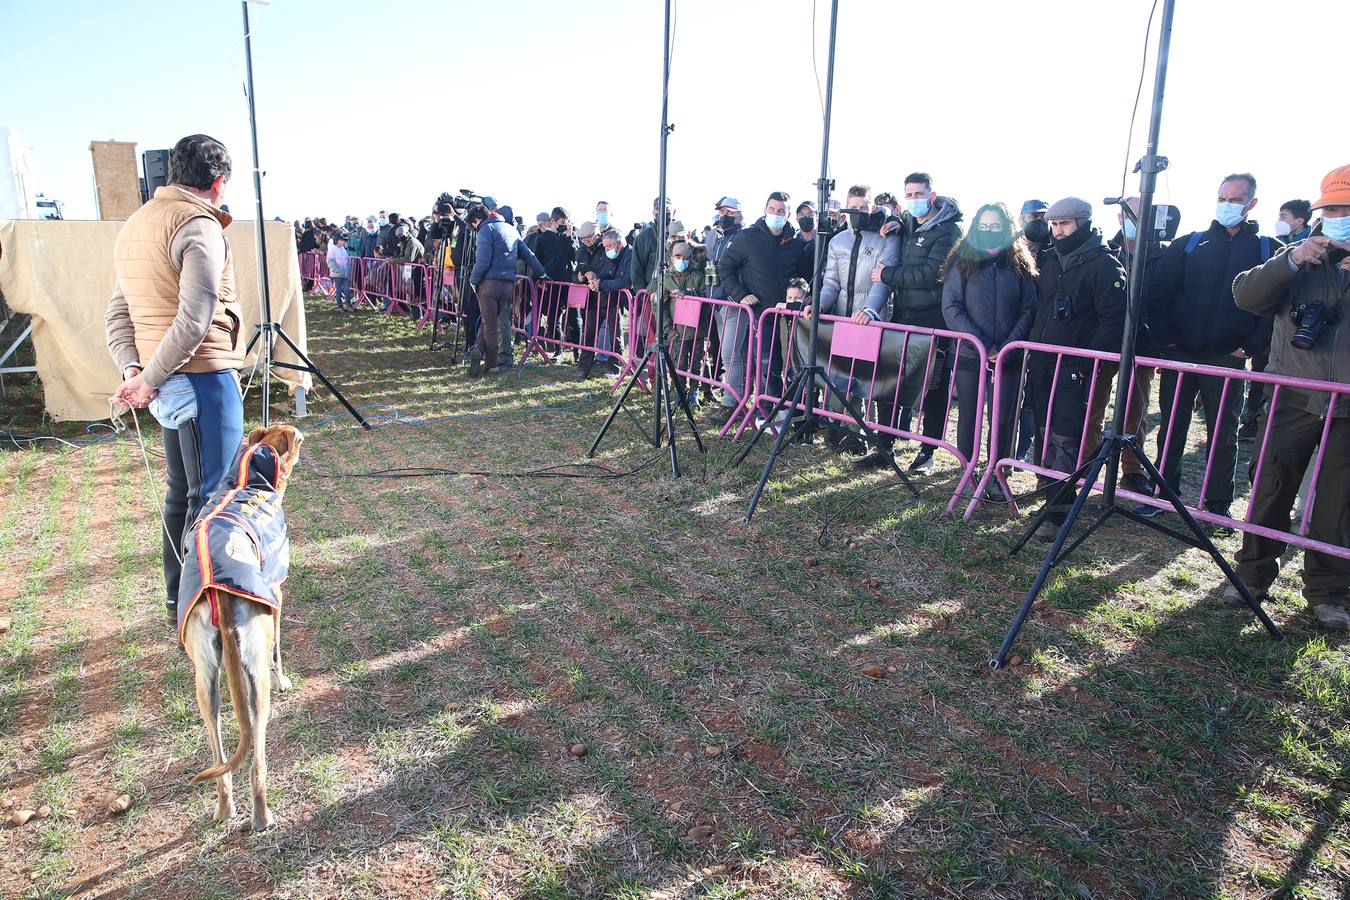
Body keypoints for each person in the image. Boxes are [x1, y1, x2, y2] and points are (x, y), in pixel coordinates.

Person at [104, 134, 245, 629]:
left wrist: (135, 370)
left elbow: (117, 312)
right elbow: (196, 318)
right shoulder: (195, 224)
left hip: (164, 378)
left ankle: (179, 603)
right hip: (201, 377)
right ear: (220, 181)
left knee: (183, 494)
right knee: (212, 498)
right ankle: (203, 610)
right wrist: (146, 378)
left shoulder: (137, 225)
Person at [1226, 163, 1350, 631]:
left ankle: (1329, 592)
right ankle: (1252, 576)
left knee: (1340, 502)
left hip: (1348, 404)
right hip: (1293, 394)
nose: (1337, 216)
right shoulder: (1296, 257)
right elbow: (1245, 295)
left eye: (1347, 208)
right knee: (1272, 486)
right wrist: (1293, 260)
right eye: (1331, 208)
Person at [1144, 173, 1276, 524]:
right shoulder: (1189, 243)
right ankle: (1161, 492)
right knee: (1171, 428)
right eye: (1222, 197)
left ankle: (1217, 503)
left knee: (1223, 432)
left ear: (1252, 203)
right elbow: (1159, 294)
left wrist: (1248, 348)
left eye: (1235, 199)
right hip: (1180, 353)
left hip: (1228, 357)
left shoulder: (1268, 250)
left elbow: (1274, 308)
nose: (1227, 205)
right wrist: (1167, 342)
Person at [1026, 197, 1127, 540]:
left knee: (1069, 435)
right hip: (1041, 360)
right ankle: (1048, 492)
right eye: (1054, 224)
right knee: (1045, 429)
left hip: (1075, 367)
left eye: (1065, 224)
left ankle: (1060, 510)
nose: (1058, 231)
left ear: (1082, 223)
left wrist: (1086, 363)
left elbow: (1113, 322)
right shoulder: (1047, 259)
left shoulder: (1104, 265)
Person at [858, 172, 964, 473]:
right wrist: (894, 222)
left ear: (932, 196)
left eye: (919, 194)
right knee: (888, 383)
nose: (913, 199)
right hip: (902, 315)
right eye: (909, 194)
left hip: (934, 320)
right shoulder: (907, 225)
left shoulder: (949, 232)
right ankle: (884, 445)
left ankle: (927, 452)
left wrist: (887, 275)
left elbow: (933, 273)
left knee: (933, 388)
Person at [940, 202, 1036, 477]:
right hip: (971, 353)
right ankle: (967, 468)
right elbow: (952, 307)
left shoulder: (1019, 263)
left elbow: (1028, 308)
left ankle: (999, 470)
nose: (989, 231)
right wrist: (982, 343)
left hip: (1010, 356)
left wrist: (1007, 347)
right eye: (984, 226)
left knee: (1004, 418)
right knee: (969, 415)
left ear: (1006, 229)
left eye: (995, 226)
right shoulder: (962, 259)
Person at [718, 191, 809, 410]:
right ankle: (766, 411)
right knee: (765, 366)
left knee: (788, 366)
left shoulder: (796, 244)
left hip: (788, 317)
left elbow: (805, 278)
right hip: (761, 316)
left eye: (781, 211)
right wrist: (740, 294)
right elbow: (725, 267)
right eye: (772, 209)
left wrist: (805, 298)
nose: (776, 214)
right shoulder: (748, 237)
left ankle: (786, 410)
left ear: (788, 214)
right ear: (764, 210)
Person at [468, 203, 546, 376]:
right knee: (490, 321)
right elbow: (529, 256)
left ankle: (492, 364)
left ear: (478, 220)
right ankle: (478, 351)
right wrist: (542, 273)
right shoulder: (512, 230)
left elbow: (483, 261)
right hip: (508, 284)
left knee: (490, 324)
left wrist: (473, 281)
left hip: (488, 283)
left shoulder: (485, 231)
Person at [705, 197, 744, 418]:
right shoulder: (718, 238)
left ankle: (731, 404)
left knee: (731, 355)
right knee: (728, 354)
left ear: (739, 213)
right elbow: (711, 265)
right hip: (718, 304)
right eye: (721, 210)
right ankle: (734, 398)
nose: (724, 214)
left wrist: (734, 295)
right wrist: (709, 296)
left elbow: (743, 271)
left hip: (734, 304)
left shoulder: (743, 237)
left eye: (729, 211)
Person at [579, 228, 631, 377]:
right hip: (597, 298)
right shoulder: (604, 253)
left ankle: (614, 368)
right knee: (588, 333)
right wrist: (594, 280)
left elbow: (626, 280)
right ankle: (583, 368)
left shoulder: (629, 255)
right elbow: (605, 272)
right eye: (605, 246)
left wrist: (601, 284)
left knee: (615, 335)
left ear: (619, 244)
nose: (606, 249)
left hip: (614, 300)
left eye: (609, 247)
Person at [631, 197, 674, 296]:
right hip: (651, 298)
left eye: (667, 210)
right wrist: (645, 295)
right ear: (653, 213)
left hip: (677, 297)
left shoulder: (681, 236)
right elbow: (636, 272)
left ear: (673, 212)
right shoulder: (643, 239)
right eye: (658, 209)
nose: (663, 213)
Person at [327, 232, 352, 310]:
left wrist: (348, 268)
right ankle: (339, 305)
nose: (343, 242)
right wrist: (337, 270)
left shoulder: (343, 249)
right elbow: (330, 261)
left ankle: (348, 304)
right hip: (337, 274)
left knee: (347, 289)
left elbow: (347, 260)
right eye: (341, 240)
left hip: (344, 273)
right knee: (339, 290)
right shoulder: (332, 249)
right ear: (337, 240)